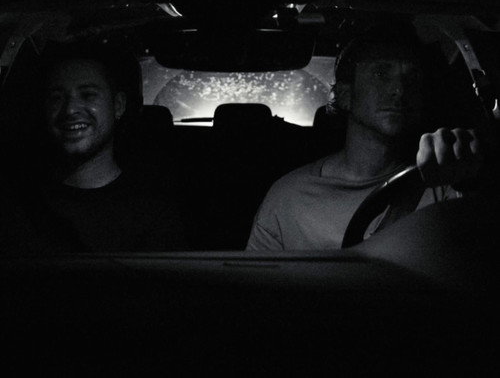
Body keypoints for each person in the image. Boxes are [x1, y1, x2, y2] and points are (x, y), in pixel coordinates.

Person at [246, 25, 485, 251]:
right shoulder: (288, 198)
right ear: (344, 95)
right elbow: (262, 279)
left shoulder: (443, 179)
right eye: (381, 73)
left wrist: (471, 181)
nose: (399, 89)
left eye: (412, 77)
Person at [0, 40, 188, 253]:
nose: (70, 109)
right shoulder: (17, 204)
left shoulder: (151, 212)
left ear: (118, 106)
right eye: (56, 98)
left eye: (88, 95)